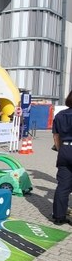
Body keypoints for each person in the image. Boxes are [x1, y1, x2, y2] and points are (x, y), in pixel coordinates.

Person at [52, 90, 72, 225]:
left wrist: (61, 150)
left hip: (65, 149)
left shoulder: (60, 115)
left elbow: (56, 136)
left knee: (63, 185)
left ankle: (59, 216)